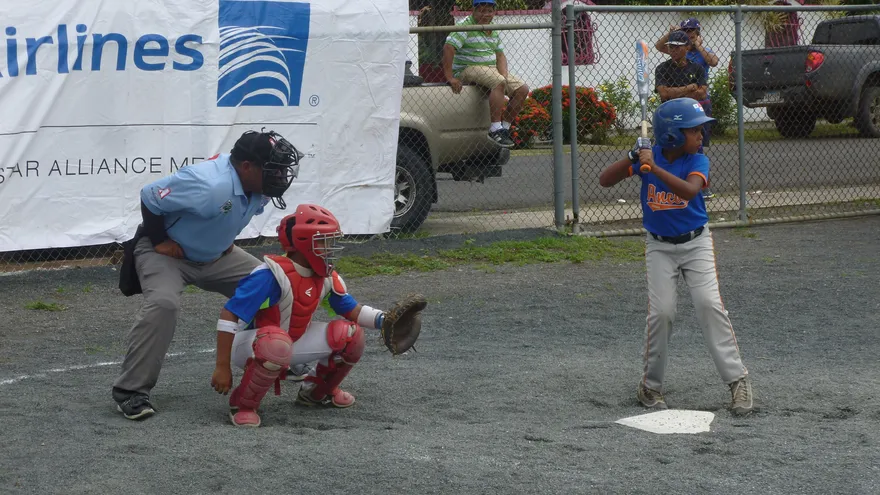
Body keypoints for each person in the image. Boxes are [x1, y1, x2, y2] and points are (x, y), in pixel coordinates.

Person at [112, 129, 306, 421]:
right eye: (272, 168)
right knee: (163, 304)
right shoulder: (209, 183)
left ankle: (275, 358)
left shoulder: (259, 184)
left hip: (217, 256)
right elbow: (150, 196)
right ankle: (130, 391)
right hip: (167, 253)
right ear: (246, 166)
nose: (280, 175)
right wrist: (158, 239)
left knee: (276, 284)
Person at [598, 98, 753, 416]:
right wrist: (631, 157)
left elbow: (690, 191)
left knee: (710, 305)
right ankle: (650, 386)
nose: (701, 136)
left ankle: (738, 381)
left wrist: (652, 168)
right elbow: (605, 180)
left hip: (697, 245)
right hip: (660, 248)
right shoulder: (646, 157)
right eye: (694, 131)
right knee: (662, 313)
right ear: (672, 135)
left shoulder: (697, 161)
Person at [210, 204, 394, 427]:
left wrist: (388, 321)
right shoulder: (270, 275)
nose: (330, 248)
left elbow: (352, 311)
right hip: (248, 345)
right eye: (324, 242)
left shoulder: (325, 276)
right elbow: (230, 313)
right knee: (275, 343)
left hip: (287, 341)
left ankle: (315, 393)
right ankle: (243, 404)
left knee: (350, 335)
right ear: (303, 243)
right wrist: (222, 366)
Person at [443, 0, 530, 148]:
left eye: (489, 10)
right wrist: (450, 77)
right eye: (482, 10)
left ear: (494, 11)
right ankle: (495, 129)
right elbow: (448, 47)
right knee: (498, 82)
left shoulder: (492, 28)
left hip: (490, 69)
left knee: (522, 89)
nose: (486, 14)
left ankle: (505, 129)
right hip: (468, 68)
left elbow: (500, 55)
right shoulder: (465, 25)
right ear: (474, 10)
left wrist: (503, 74)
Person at [656, 19, 719, 199]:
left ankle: (701, 185)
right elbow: (664, 93)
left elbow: (713, 63)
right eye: (686, 30)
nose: (689, 32)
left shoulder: (699, 57)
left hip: (698, 106)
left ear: (698, 33)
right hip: (677, 106)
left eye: (692, 30)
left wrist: (697, 46)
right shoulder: (669, 61)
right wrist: (673, 34)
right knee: (672, 144)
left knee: (696, 144)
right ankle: (675, 183)